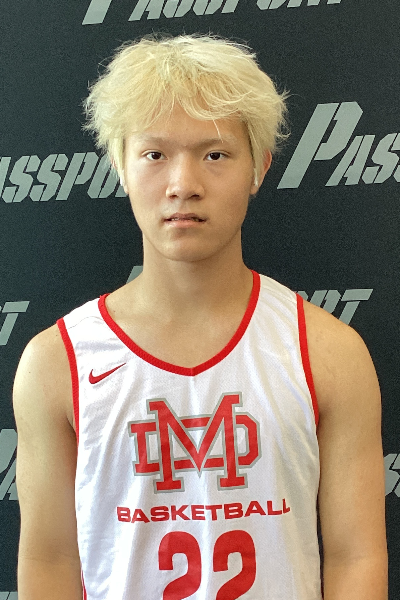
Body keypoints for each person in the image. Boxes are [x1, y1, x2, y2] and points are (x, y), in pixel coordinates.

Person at [13, 33, 387, 600]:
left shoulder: (329, 353)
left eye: (215, 155)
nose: (183, 185)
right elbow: (50, 560)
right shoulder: (55, 362)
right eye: (154, 155)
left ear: (258, 167)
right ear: (120, 165)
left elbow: (356, 556)